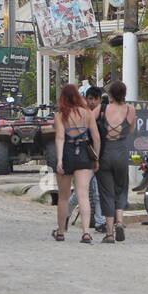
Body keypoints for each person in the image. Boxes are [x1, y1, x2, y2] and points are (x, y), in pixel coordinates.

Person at [52, 84, 99, 243]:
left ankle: (60, 232)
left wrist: (59, 160)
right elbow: (96, 137)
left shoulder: (60, 115)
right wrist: (96, 157)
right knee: (83, 195)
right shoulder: (87, 113)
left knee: (63, 197)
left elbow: (60, 138)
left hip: (67, 153)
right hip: (84, 153)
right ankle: (86, 232)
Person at [96, 80, 137, 243]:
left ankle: (109, 233)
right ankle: (120, 222)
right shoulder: (130, 110)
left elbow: (89, 124)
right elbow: (132, 130)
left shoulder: (102, 108)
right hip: (121, 153)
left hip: (105, 153)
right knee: (121, 188)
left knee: (106, 192)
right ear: (125, 94)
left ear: (111, 94)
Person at [80, 87, 108, 233]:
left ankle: (100, 222)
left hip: (98, 158)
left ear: (99, 99)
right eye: (89, 99)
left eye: (94, 99)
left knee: (95, 191)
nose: (91, 102)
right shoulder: (85, 115)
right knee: (82, 190)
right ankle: (65, 214)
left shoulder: (104, 113)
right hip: (88, 158)